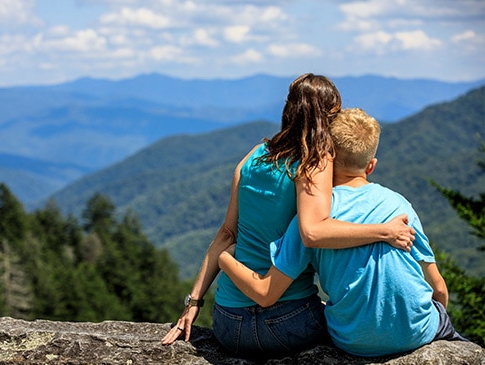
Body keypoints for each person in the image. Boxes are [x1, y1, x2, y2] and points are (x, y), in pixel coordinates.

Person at [161, 75, 415, 358]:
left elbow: (226, 235)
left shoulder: (253, 157)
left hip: (228, 324)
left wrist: (193, 300)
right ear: (325, 118)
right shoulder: (314, 163)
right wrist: (385, 232)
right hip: (288, 322)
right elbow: (314, 232)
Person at [218, 108, 467, 357]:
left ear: (324, 159)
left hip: (351, 340)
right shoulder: (400, 206)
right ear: (371, 166)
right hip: (416, 333)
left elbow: (267, 291)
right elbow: (439, 289)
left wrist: (224, 258)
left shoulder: (310, 221)